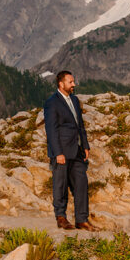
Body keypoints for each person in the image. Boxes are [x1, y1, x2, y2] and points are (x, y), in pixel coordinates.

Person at [44, 70, 94, 231]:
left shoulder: (74, 99)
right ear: (61, 84)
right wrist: (58, 153)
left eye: (73, 81)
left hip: (77, 151)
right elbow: (51, 129)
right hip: (61, 152)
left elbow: (80, 125)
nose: (74, 84)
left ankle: (82, 220)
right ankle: (61, 217)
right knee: (60, 185)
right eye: (70, 82)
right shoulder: (52, 102)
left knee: (81, 184)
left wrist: (85, 145)